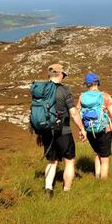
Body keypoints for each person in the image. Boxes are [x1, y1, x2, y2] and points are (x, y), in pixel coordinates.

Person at [38, 63, 83, 197]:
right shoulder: (64, 90)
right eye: (63, 74)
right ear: (60, 74)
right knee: (69, 160)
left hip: (46, 130)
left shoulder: (41, 90)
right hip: (64, 130)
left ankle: (48, 188)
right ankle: (67, 191)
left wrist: (39, 133)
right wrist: (82, 129)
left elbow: (38, 113)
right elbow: (74, 113)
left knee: (52, 160)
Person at [77, 72, 112, 179]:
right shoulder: (104, 96)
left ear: (87, 84)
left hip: (89, 130)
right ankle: (103, 181)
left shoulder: (82, 97)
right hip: (104, 130)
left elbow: (78, 114)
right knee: (105, 158)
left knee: (97, 153)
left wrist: (81, 130)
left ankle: (97, 176)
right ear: (98, 82)